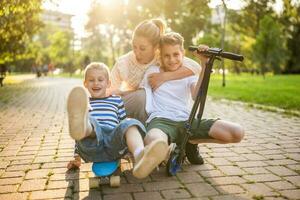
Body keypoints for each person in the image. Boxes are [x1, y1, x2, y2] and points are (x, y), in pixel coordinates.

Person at [139, 32, 244, 174]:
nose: (172, 60)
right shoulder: (153, 72)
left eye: (176, 54)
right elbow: (147, 84)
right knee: (154, 140)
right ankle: (164, 151)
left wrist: (203, 63)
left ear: (182, 53)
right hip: (161, 120)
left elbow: (196, 96)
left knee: (237, 132)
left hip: (186, 121)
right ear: (160, 56)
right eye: (167, 55)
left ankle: (189, 142)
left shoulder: (189, 75)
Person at [110, 19, 205, 165]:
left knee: (147, 98)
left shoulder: (161, 57)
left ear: (156, 48)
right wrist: (118, 93)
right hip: (133, 102)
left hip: (154, 109)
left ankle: (154, 146)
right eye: (134, 47)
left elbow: (195, 67)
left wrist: (164, 76)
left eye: (142, 48)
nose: (136, 52)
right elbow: (110, 89)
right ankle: (93, 143)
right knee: (126, 100)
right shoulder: (124, 62)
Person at [66, 62, 168, 179]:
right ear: (85, 84)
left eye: (100, 80)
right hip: (92, 144)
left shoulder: (116, 100)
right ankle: (84, 125)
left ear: (108, 83)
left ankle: (140, 155)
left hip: (112, 142)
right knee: (89, 123)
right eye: (91, 80)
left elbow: (122, 124)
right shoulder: (85, 103)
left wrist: (128, 148)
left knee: (129, 124)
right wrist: (76, 157)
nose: (96, 83)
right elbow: (77, 130)